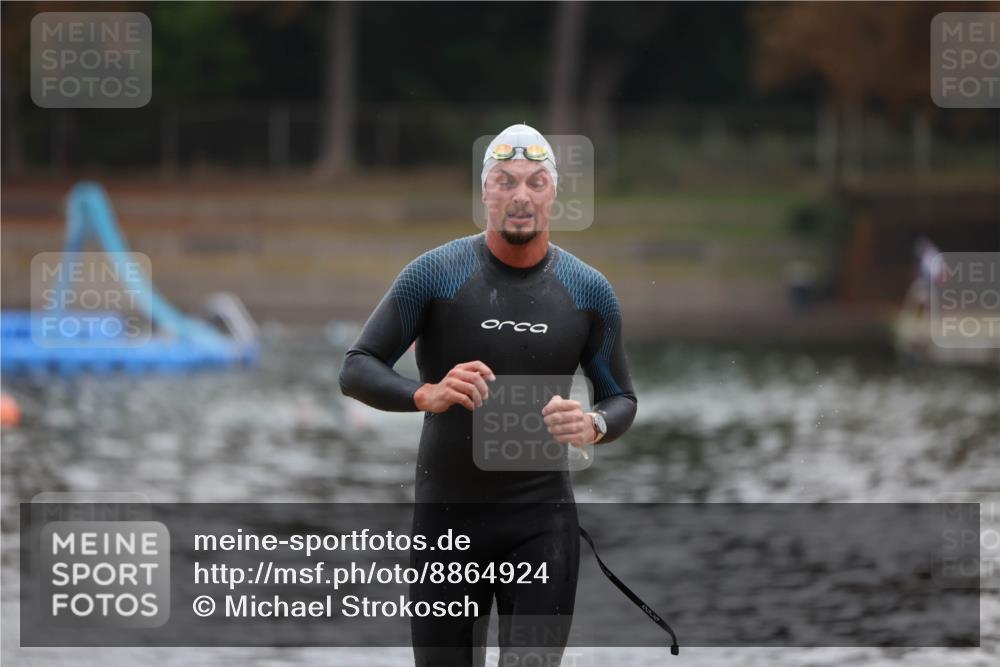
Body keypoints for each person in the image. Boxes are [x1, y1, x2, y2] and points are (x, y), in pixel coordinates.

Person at [339, 123, 637, 666]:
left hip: (541, 527)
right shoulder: (434, 275)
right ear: (484, 193)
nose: (520, 195)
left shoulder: (589, 291)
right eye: (505, 181)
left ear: (554, 195)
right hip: (446, 529)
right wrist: (422, 394)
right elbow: (357, 367)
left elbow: (622, 399)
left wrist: (592, 423)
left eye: (535, 181)